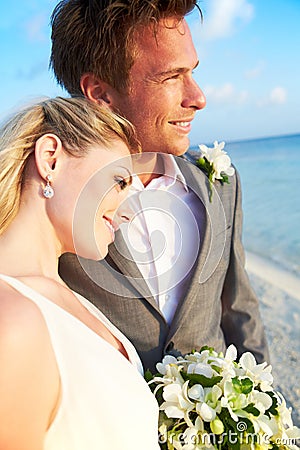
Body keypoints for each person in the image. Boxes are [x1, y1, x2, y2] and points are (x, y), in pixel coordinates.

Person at [50, 0, 270, 373]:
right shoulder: (53, 202)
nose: (198, 98)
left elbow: (239, 308)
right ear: (100, 93)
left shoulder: (222, 182)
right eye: (171, 77)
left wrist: (264, 404)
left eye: (193, 72)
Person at [0, 97, 160, 450]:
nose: (128, 212)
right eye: (119, 181)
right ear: (50, 159)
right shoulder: (12, 322)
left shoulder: (69, 298)